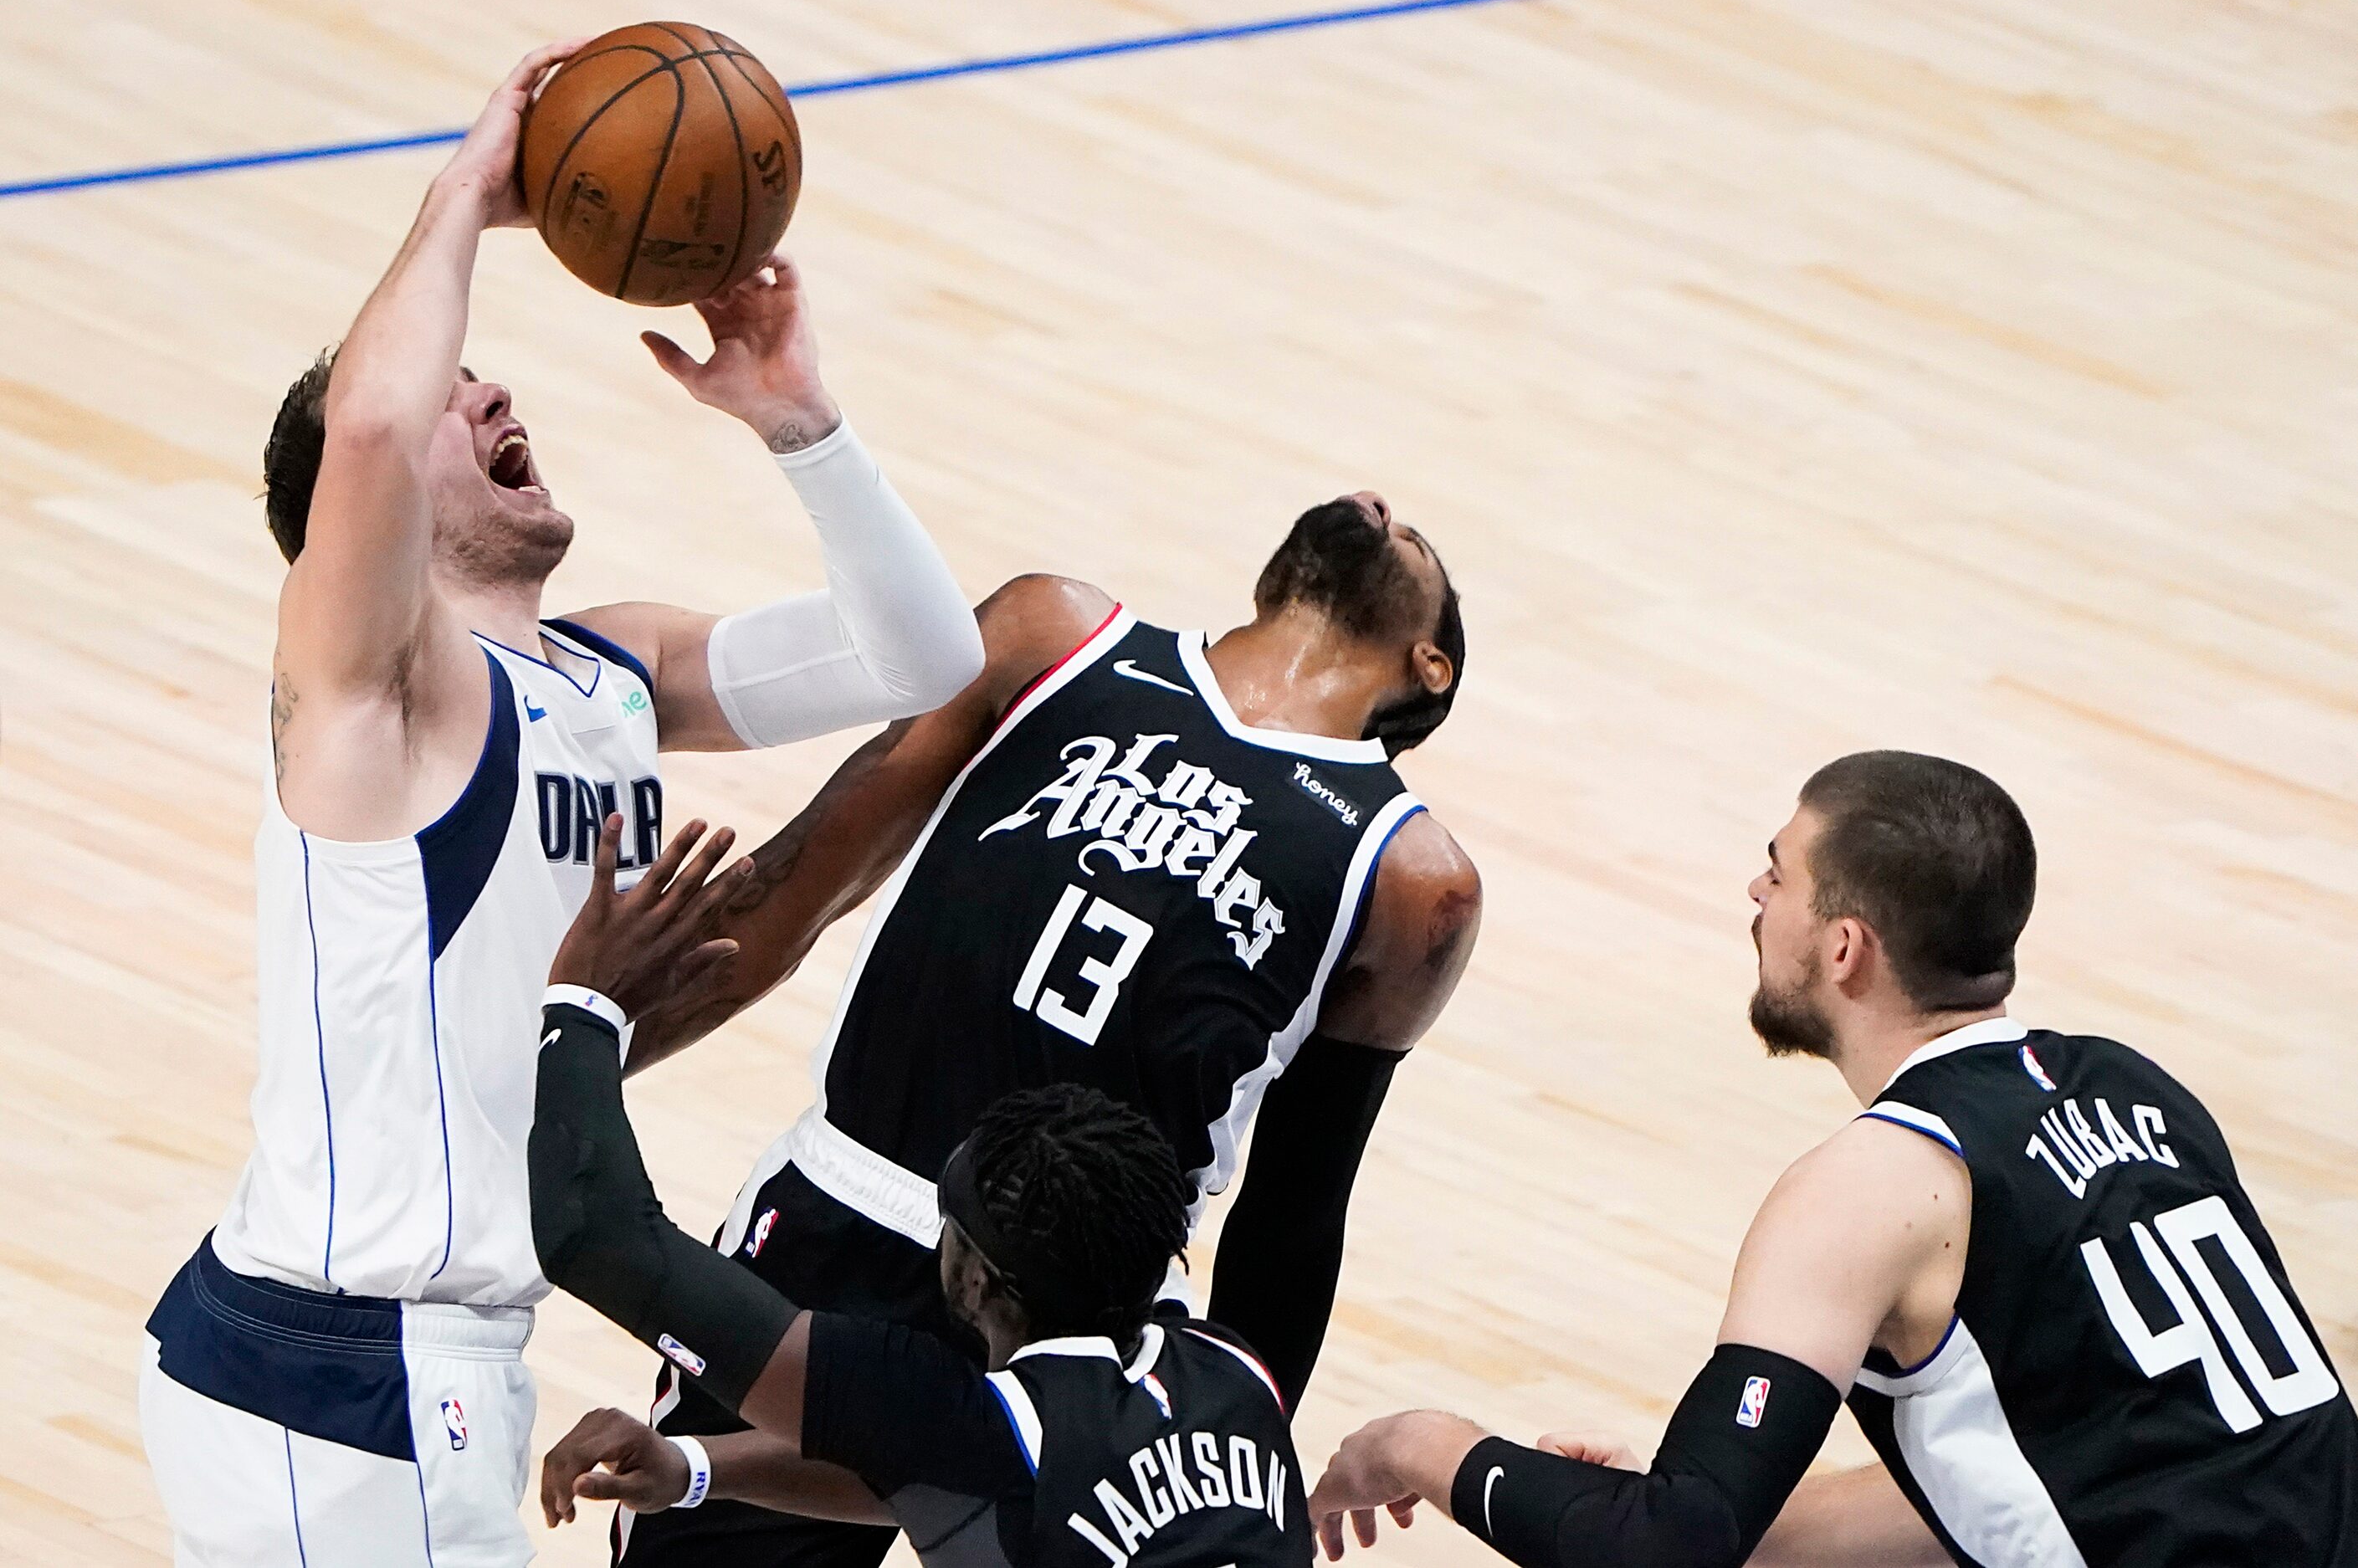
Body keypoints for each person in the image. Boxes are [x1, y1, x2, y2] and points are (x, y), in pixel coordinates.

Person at [136, 41, 985, 1568]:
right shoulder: (375, 694)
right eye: (461, 397)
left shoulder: (608, 670)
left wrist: (802, 418)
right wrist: (471, 186)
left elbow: (925, 654)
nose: (491, 390)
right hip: (338, 1359)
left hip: (415, 1355)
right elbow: (375, 431)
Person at [611, 500, 1483, 1567]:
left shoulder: (1413, 879)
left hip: (1089, 1328)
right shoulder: (1054, 637)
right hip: (849, 1207)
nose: (1385, 509)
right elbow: (795, 892)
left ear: (1428, 664)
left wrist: (1243, 1433)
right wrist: (546, 1076)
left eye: (1415, 543)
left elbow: (1296, 1211)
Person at [1305, 751, 2358, 1568]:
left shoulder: (1871, 1185)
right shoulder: (2132, 1085)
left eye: (1778, 872)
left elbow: (1660, 1555)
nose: (1753, 894)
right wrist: (1713, 1505)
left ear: (1845, 946)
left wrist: (1423, 1448)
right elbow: (2047, 1473)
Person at [525, 815, 1312, 1568]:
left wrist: (586, 1003)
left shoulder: (989, 1435)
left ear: (972, 1281)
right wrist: (698, 1468)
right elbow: (935, 1471)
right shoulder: (1230, 1371)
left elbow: (595, 1233)